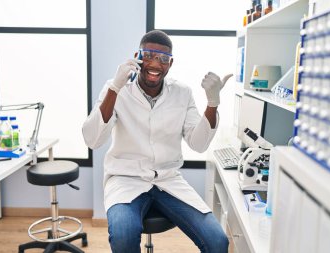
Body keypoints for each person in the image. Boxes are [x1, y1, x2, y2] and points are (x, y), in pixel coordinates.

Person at [83, 30, 233, 253]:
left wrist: (212, 104)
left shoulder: (182, 93)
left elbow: (198, 143)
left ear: (170, 64)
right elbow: (92, 139)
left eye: (163, 59)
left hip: (168, 180)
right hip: (125, 179)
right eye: (150, 55)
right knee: (123, 236)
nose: (156, 64)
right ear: (138, 56)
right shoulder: (116, 89)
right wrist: (115, 88)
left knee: (218, 241)